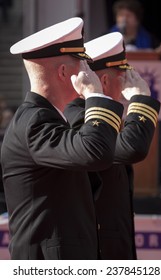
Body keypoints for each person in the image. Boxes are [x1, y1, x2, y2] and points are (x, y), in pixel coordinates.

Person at [0, 17, 124, 260]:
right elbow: (95, 153)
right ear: (64, 72)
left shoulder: (51, 118)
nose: (89, 72)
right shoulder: (35, 122)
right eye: (84, 65)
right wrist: (95, 95)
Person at [64, 32, 161, 259]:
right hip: (95, 252)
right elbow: (131, 148)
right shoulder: (78, 117)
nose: (126, 87)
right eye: (123, 78)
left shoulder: (98, 116)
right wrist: (140, 99)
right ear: (105, 81)